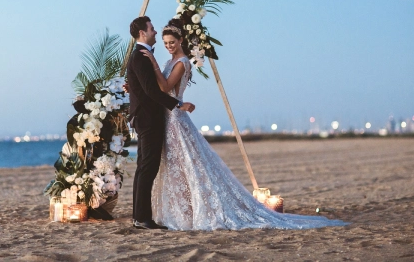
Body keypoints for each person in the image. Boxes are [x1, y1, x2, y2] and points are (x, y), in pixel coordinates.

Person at [140, 19, 348, 230]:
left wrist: (153, 64)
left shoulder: (181, 62)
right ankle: (180, 210)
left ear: (181, 40)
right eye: (165, 43)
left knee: (186, 167)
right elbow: (156, 88)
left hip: (176, 120)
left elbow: (165, 86)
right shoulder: (169, 62)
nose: (168, 46)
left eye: (172, 42)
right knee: (175, 168)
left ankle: (192, 212)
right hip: (167, 118)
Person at [126, 16, 196, 230]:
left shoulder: (142, 55)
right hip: (149, 119)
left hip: (147, 117)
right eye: (152, 29)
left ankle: (139, 216)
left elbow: (143, 85)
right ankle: (142, 218)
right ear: (142, 33)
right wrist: (177, 105)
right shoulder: (141, 56)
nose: (155, 32)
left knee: (143, 167)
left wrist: (134, 89)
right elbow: (151, 90)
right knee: (148, 167)